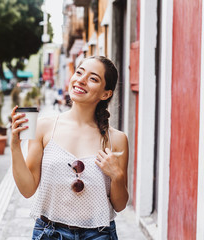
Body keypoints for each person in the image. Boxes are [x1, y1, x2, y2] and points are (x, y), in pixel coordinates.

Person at [10, 56, 129, 240]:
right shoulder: (44, 127)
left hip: (99, 235)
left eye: (93, 78)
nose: (81, 79)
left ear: (106, 94)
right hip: (49, 233)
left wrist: (117, 176)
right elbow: (27, 189)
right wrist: (15, 146)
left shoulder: (117, 140)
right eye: (79, 72)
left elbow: (120, 205)